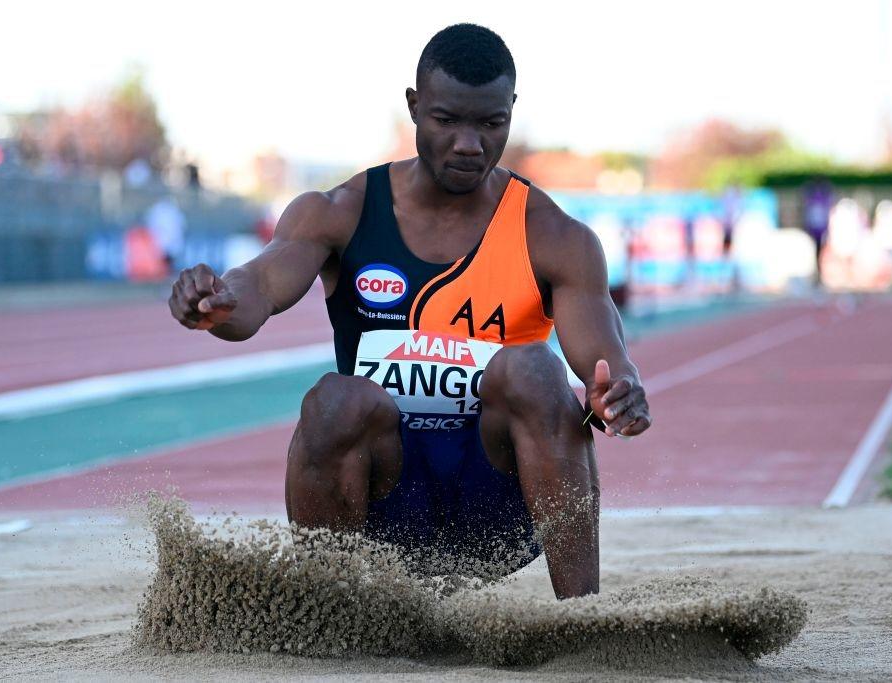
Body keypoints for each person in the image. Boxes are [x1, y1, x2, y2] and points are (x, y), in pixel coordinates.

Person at [168, 24, 651, 599]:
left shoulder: (552, 234)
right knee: (335, 399)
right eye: (447, 120)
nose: (469, 144)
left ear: (511, 112)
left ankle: (581, 618)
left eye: (491, 123)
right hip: (382, 505)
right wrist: (216, 304)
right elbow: (260, 286)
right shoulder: (340, 210)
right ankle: (328, 618)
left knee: (536, 369)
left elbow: (606, 364)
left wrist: (619, 392)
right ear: (414, 106)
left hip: (501, 507)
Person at [145, 195, 186, 273]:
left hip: (164, 244)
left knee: (167, 265)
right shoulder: (172, 210)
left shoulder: (157, 210)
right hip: (166, 244)